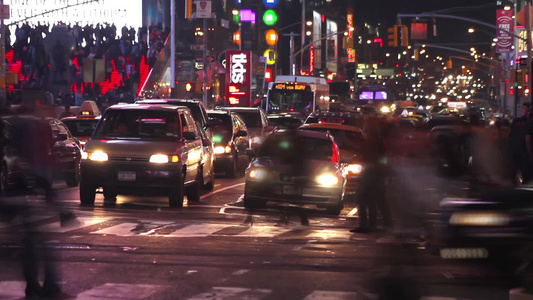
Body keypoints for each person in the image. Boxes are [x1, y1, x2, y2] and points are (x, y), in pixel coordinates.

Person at [351, 116, 392, 233]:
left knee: (361, 197)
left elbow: (374, 155)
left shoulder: (372, 139)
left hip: (372, 170)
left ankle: (366, 225)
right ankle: (372, 224)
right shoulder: (375, 138)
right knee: (373, 199)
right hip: (375, 171)